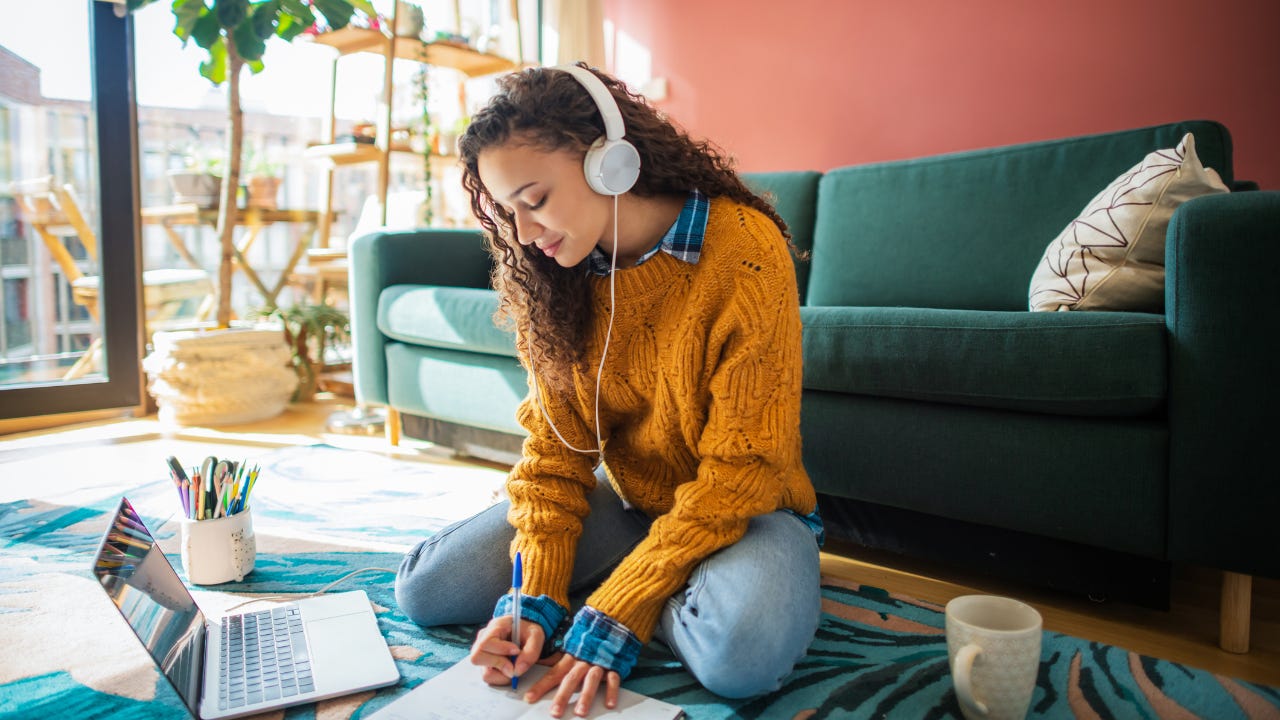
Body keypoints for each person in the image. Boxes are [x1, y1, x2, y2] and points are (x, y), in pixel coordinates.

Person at [394, 62, 823, 719]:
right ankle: (648, 581)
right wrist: (532, 593)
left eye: (534, 201)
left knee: (742, 655)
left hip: (748, 513)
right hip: (629, 506)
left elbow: (743, 473)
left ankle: (644, 584)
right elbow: (556, 457)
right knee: (425, 589)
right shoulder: (553, 279)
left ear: (608, 162)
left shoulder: (744, 253)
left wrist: (627, 600)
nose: (525, 236)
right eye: (507, 214)